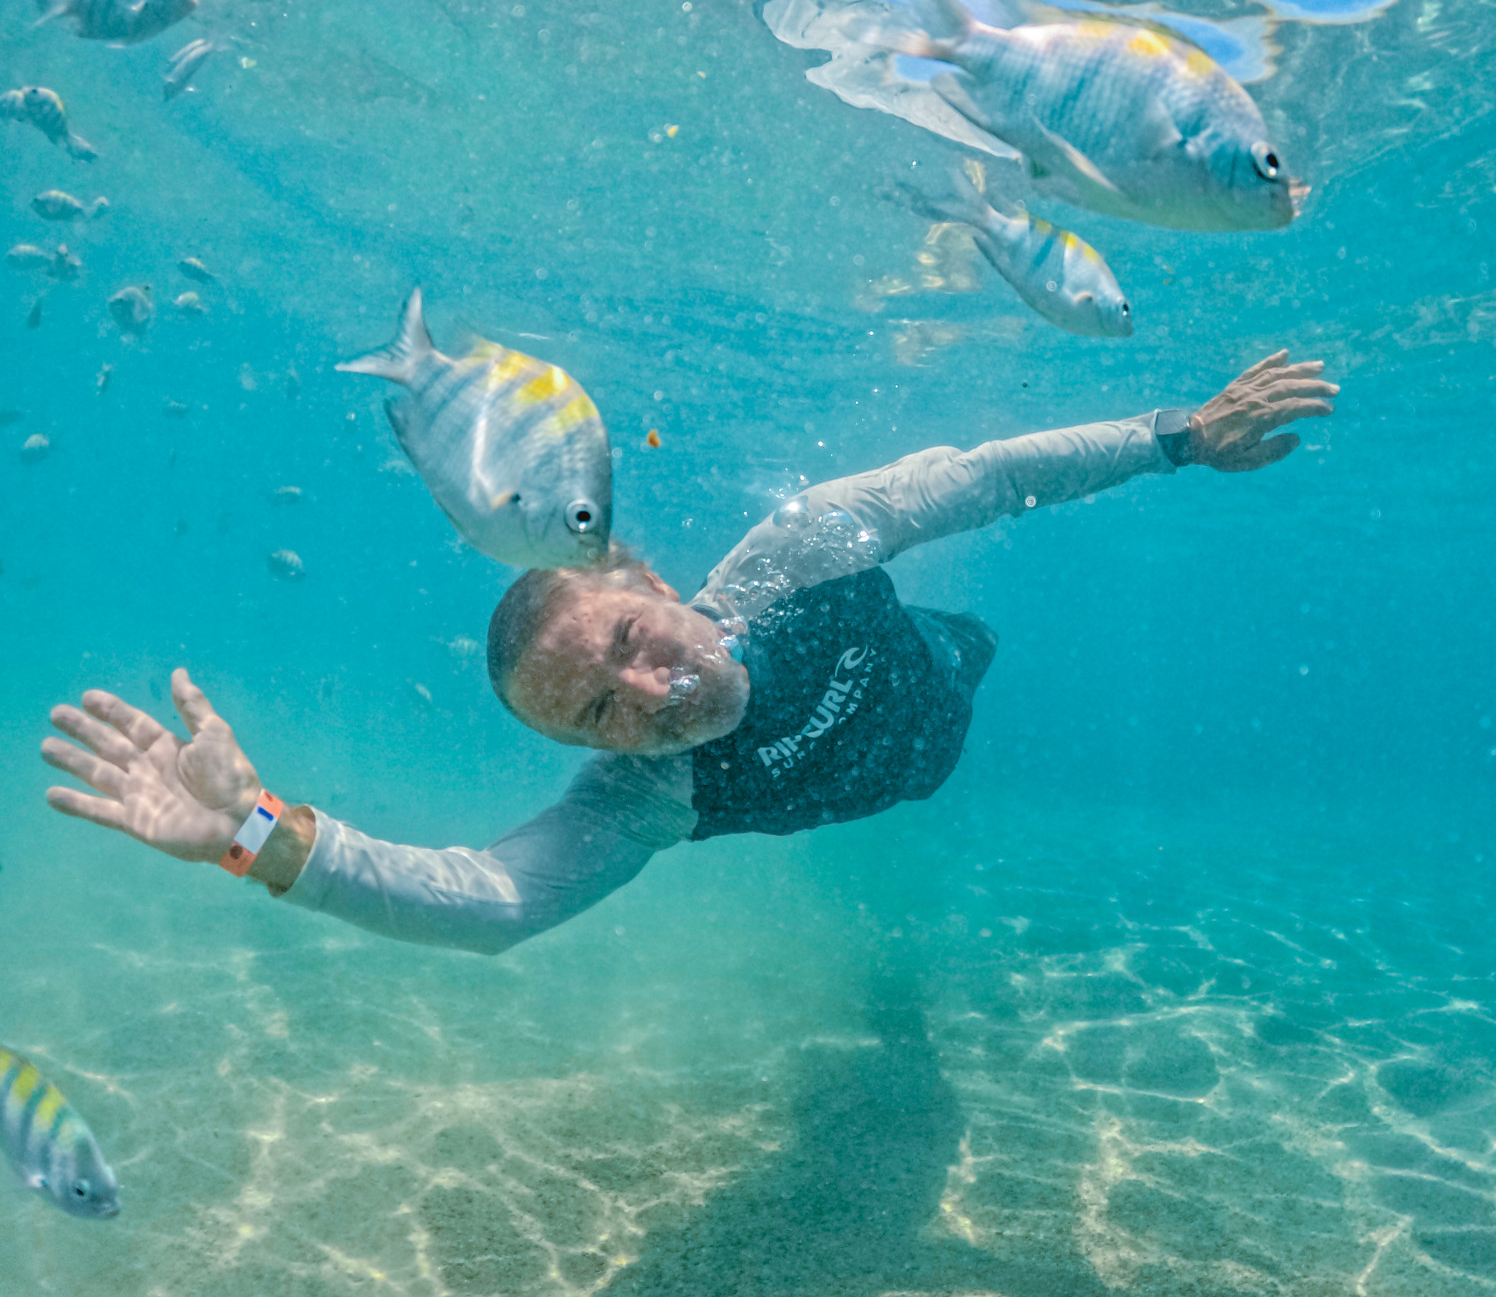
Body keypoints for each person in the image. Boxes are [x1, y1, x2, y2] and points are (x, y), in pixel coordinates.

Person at [40, 351, 1336, 954]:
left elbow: (982, 478)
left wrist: (1181, 432)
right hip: (900, 786)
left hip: (944, 673)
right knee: (919, 784)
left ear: (651, 579)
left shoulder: (795, 553)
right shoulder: (643, 800)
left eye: (630, 643)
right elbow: (496, 902)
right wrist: (251, 833)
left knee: (967, 650)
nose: (651, 698)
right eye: (597, 714)